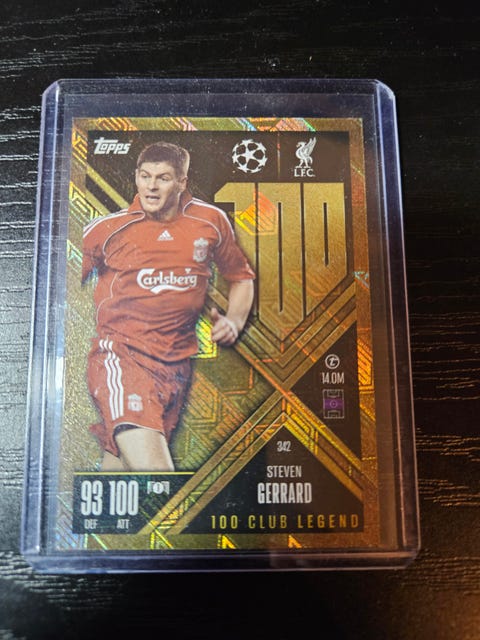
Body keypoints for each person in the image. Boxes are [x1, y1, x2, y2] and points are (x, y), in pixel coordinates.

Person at [82, 141, 255, 472]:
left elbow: (241, 277)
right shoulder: (107, 230)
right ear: (136, 177)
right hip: (123, 360)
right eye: (145, 176)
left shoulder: (210, 221)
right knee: (160, 480)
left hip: (175, 369)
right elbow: (60, 274)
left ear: (181, 182)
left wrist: (234, 321)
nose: (151, 186)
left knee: (119, 480)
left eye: (162, 178)